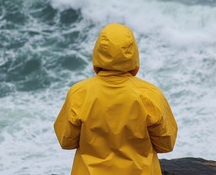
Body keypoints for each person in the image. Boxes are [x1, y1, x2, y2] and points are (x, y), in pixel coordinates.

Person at [54, 23, 177, 175]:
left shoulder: (79, 93)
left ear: (97, 54)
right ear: (134, 56)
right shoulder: (150, 94)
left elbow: (66, 141)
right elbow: (166, 144)